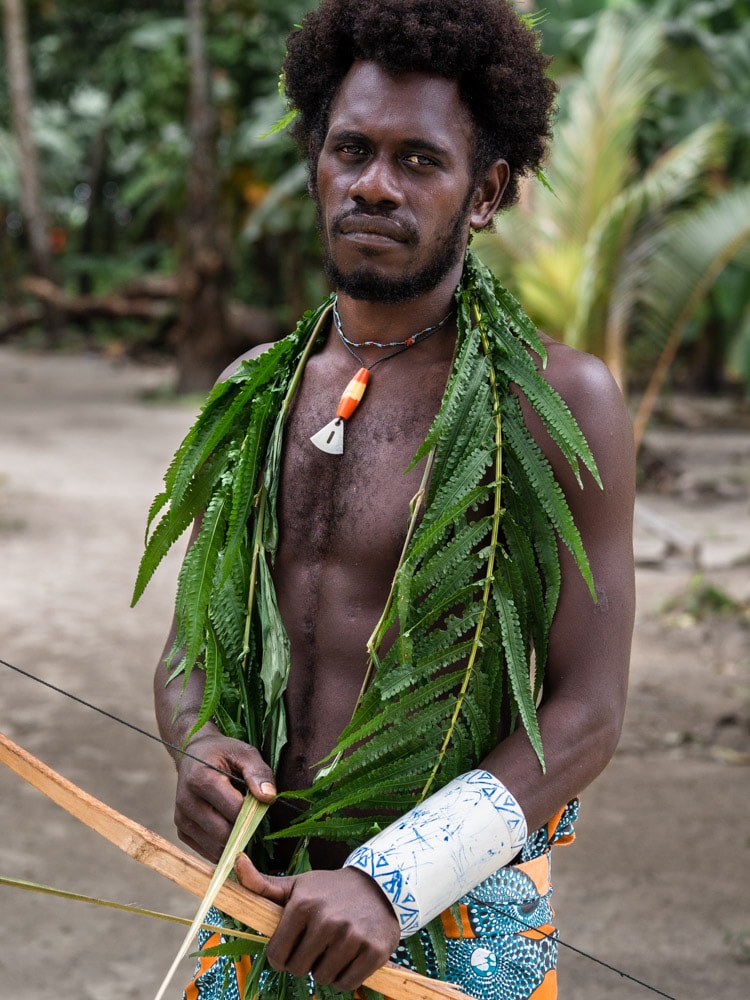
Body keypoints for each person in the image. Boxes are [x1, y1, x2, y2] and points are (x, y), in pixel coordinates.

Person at [140, 2, 635, 998]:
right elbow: (198, 640)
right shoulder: (256, 390)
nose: (374, 182)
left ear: (485, 190)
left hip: (452, 920)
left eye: (419, 160)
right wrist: (198, 747)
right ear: (317, 164)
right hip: (262, 898)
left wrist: (390, 880)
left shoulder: (557, 402)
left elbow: (587, 711)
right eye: (353, 149)